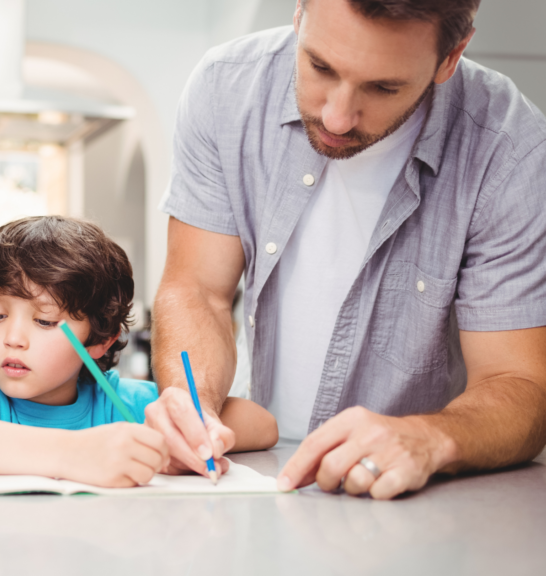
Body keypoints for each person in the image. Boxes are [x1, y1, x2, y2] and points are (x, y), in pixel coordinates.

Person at [148, 0, 546, 500]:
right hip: (253, 477)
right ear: (299, 12)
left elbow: (519, 384)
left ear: (452, 56)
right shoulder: (226, 89)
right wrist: (192, 405)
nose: (336, 117)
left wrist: (431, 438)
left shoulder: (511, 149)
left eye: (384, 87)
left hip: (415, 499)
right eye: (319, 66)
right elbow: (197, 289)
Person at [0, 216, 278, 487]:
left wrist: (187, 438)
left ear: (101, 340)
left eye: (45, 321)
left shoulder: (122, 402)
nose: (12, 338)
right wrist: (75, 453)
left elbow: (262, 425)